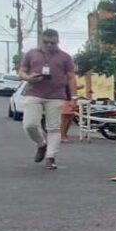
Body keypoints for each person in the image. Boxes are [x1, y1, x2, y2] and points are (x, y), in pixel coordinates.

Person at [18, 28, 78, 170]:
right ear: (41, 41)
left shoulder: (65, 57)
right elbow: (21, 71)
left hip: (56, 95)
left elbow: (71, 78)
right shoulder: (31, 54)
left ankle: (50, 157)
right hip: (34, 92)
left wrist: (74, 97)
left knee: (54, 127)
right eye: (47, 42)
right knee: (30, 125)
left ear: (58, 41)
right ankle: (41, 144)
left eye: (53, 43)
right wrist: (28, 77)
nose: (50, 45)